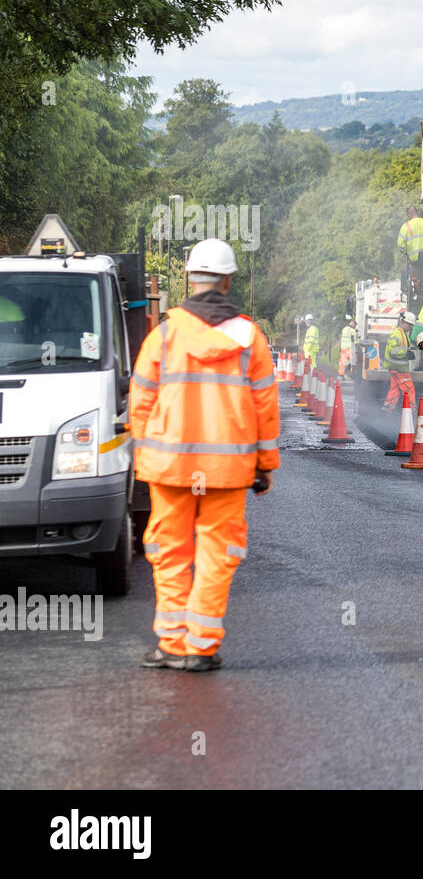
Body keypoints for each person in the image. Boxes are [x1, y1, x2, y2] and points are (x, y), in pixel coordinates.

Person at [129, 238, 278, 672]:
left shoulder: (165, 334)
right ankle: (201, 648)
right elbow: (265, 407)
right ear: (229, 280)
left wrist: (147, 455)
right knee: (218, 554)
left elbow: (140, 401)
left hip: (169, 467)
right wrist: (265, 465)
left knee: (169, 551)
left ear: (191, 279)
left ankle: (171, 645)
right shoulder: (251, 338)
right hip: (228, 471)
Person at [397, 205, 423, 301]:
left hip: (416, 261)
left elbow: (401, 245)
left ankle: (407, 294)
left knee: (405, 272)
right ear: (417, 212)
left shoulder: (406, 226)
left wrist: (405, 253)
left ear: (408, 215)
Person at [383, 310, 417, 412]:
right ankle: (411, 409)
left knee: (395, 389)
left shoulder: (402, 333)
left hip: (395, 368)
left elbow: (400, 348)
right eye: (409, 324)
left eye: (412, 325)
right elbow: (393, 351)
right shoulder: (397, 333)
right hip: (399, 368)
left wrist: (409, 351)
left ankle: (387, 409)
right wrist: (406, 353)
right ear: (402, 321)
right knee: (409, 388)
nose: (411, 327)